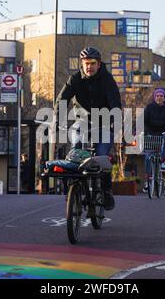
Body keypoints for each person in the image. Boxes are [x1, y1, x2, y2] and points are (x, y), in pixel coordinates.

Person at [54, 46, 121, 211]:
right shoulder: (74, 79)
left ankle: (106, 191)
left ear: (99, 64)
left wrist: (116, 125)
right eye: (86, 63)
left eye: (92, 63)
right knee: (75, 148)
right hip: (82, 122)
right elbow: (62, 101)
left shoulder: (108, 80)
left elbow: (115, 104)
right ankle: (73, 187)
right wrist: (57, 123)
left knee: (102, 157)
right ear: (81, 64)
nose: (89, 67)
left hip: (104, 123)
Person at [142, 88, 165, 193]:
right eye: (157, 96)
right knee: (148, 157)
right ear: (154, 97)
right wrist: (137, 128)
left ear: (164, 98)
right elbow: (143, 119)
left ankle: (162, 159)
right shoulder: (149, 108)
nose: (159, 97)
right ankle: (147, 180)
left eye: (161, 96)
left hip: (163, 132)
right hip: (151, 133)